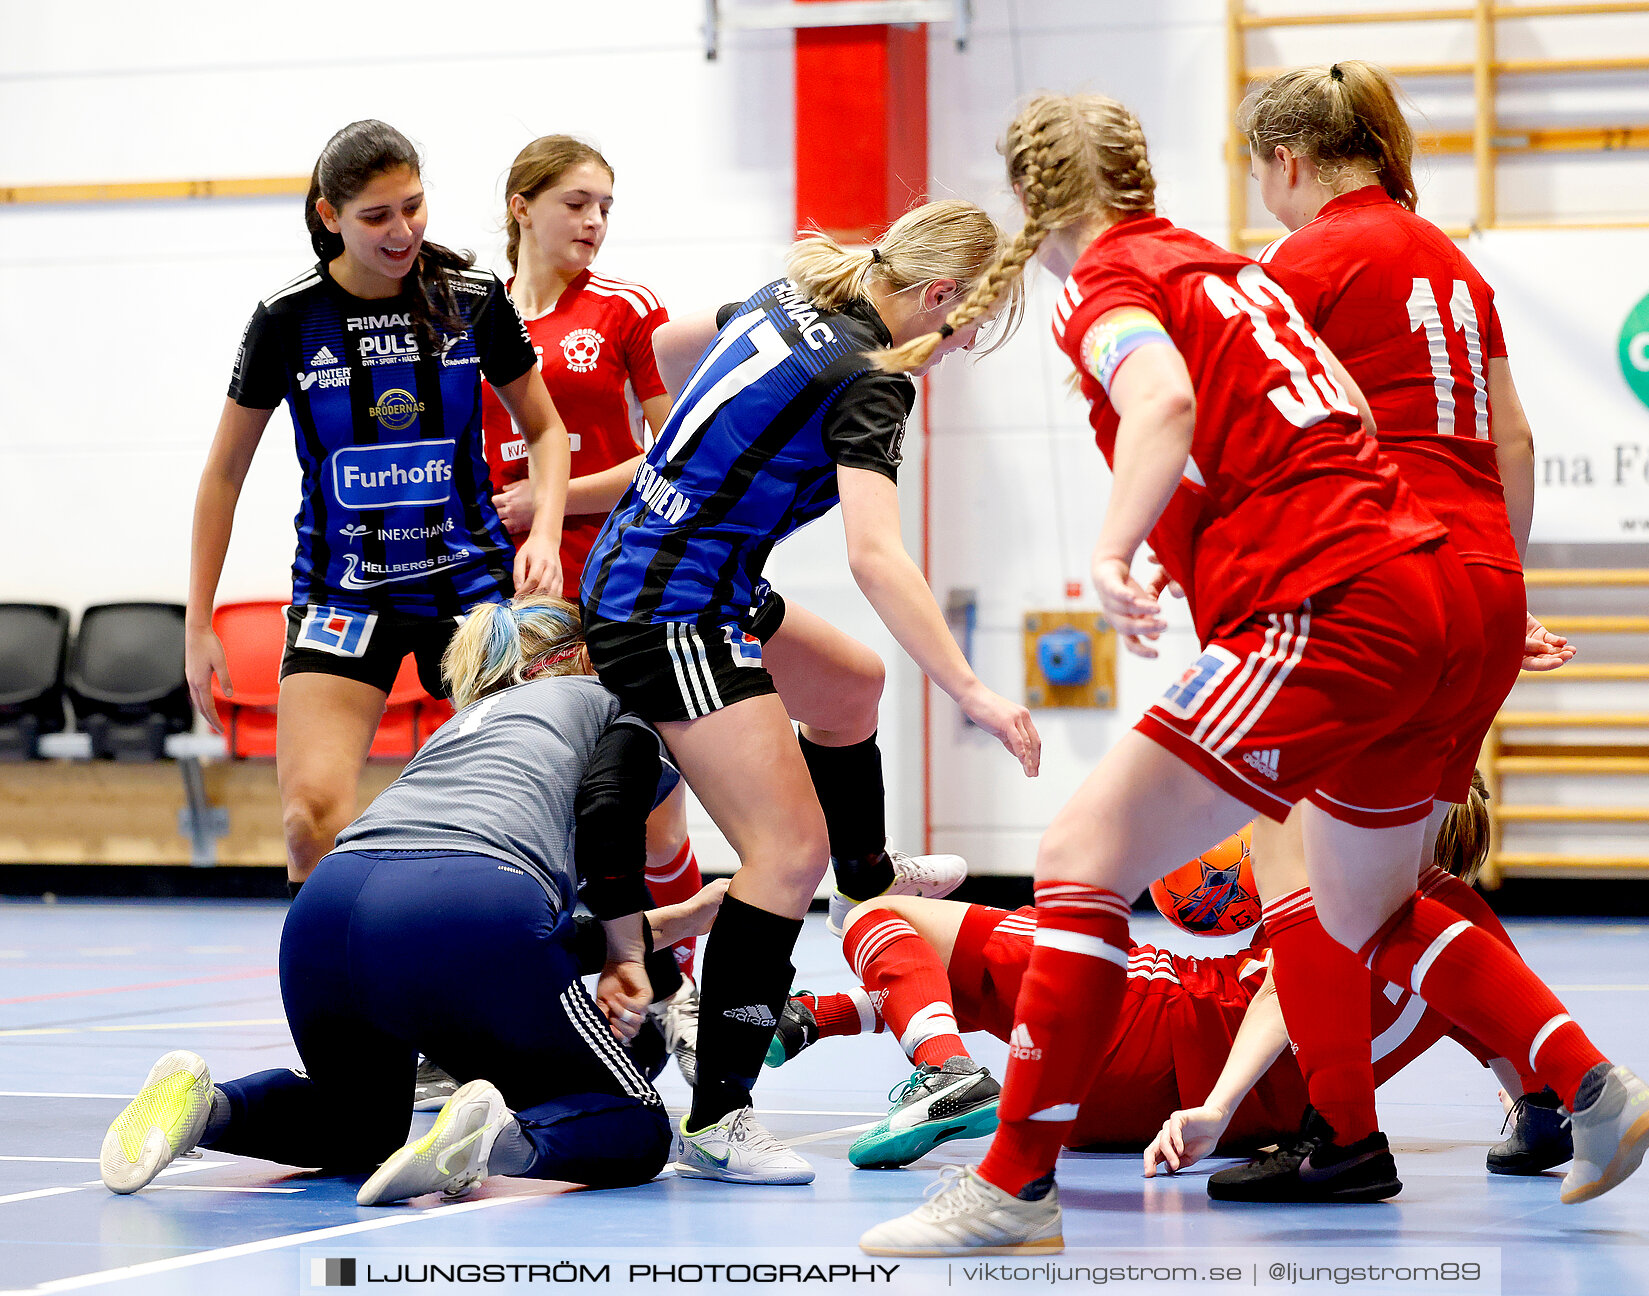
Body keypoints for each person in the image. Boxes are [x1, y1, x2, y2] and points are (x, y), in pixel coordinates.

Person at [859, 94, 1649, 1257]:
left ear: (1036, 202)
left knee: (1080, 856)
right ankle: (1587, 1088)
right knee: (1361, 908)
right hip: (1442, 588)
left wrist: (1109, 550)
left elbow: (1164, 403)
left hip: (1333, 604)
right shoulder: (1233, 266)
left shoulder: (1117, 285)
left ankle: (1013, 1188)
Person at [580, 199, 1042, 1185]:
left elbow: (666, 350)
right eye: (958, 334)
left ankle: (868, 877)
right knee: (786, 853)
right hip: (670, 607)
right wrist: (974, 692)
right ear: (937, 297)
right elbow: (877, 557)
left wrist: (699, 463)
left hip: (684, 568)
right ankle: (720, 1115)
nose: (950, 354)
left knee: (851, 687)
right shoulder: (874, 378)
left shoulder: (801, 286)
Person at [1193, 60, 1589, 1204]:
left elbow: (1264, 451)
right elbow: (1513, 444)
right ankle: (1546, 1076)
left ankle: (1347, 1134)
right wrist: (1495, 594)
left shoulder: (1300, 262)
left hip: (1374, 589)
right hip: (1477, 581)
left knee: (1309, 880)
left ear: (1286, 161)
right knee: (1389, 882)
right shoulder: (1455, 264)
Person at [101, 596, 716, 1203]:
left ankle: (207, 1108)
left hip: (326, 909)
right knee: (633, 1122)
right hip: (471, 903)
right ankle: (496, 1139)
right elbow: (605, 820)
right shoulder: (614, 706)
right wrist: (629, 955)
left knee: (357, 1125)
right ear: (582, 654)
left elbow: (516, 934)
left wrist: (675, 922)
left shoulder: (464, 727)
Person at [767, 787, 1569, 1177]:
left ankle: (937, 1064)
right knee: (980, 977)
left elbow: (1280, 993)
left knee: (881, 913)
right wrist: (1530, 1112)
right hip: (1156, 1116)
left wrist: (1215, 1107)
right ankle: (820, 1016)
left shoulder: (1359, 892)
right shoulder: (1464, 954)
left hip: (1161, 1018)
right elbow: (1521, 1087)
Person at [184, 120, 570, 892]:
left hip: (471, 591)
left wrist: (548, 536)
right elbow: (223, 472)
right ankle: (332, 998)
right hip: (342, 596)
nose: (403, 231)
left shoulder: (470, 298)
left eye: (414, 207)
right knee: (308, 822)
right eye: (376, 217)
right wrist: (198, 622)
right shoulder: (288, 320)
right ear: (329, 216)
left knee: (526, 804)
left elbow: (547, 430)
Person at [477, 133, 704, 1089]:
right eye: (576, 203)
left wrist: (553, 501)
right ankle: (546, 1004)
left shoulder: (624, 311)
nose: (596, 223)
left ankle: (680, 986)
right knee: (535, 808)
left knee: (646, 802)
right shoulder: (473, 315)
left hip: (612, 584)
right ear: (521, 205)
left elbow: (670, 449)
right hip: (508, 601)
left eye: (606, 205)